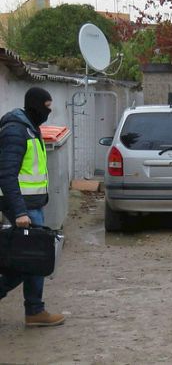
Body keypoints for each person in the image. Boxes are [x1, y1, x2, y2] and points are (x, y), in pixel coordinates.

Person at [0, 87, 65, 327]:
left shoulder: (29, 127)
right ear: (35, 105)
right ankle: (35, 311)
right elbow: (6, 175)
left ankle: (35, 310)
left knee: (32, 257)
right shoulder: (16, 131)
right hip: (23, 206)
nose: (48, 111)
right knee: (32, 258)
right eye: (46, 106)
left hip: (32, 204)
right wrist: (19, 212)